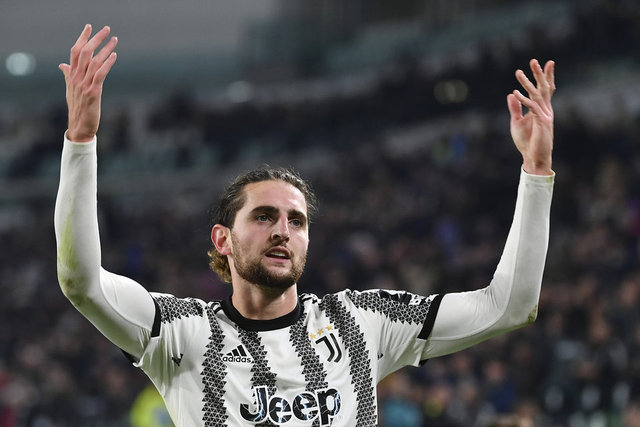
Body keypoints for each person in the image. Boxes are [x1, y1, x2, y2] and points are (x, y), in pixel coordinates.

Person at [55, 24, 556, 426]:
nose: (283, 230)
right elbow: (82, 283)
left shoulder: (362, 321)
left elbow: (510, 306)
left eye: (297, 221)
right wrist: (80, 140)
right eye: (264, 216)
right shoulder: (182, 333)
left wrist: (536, 173)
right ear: (222, 239)